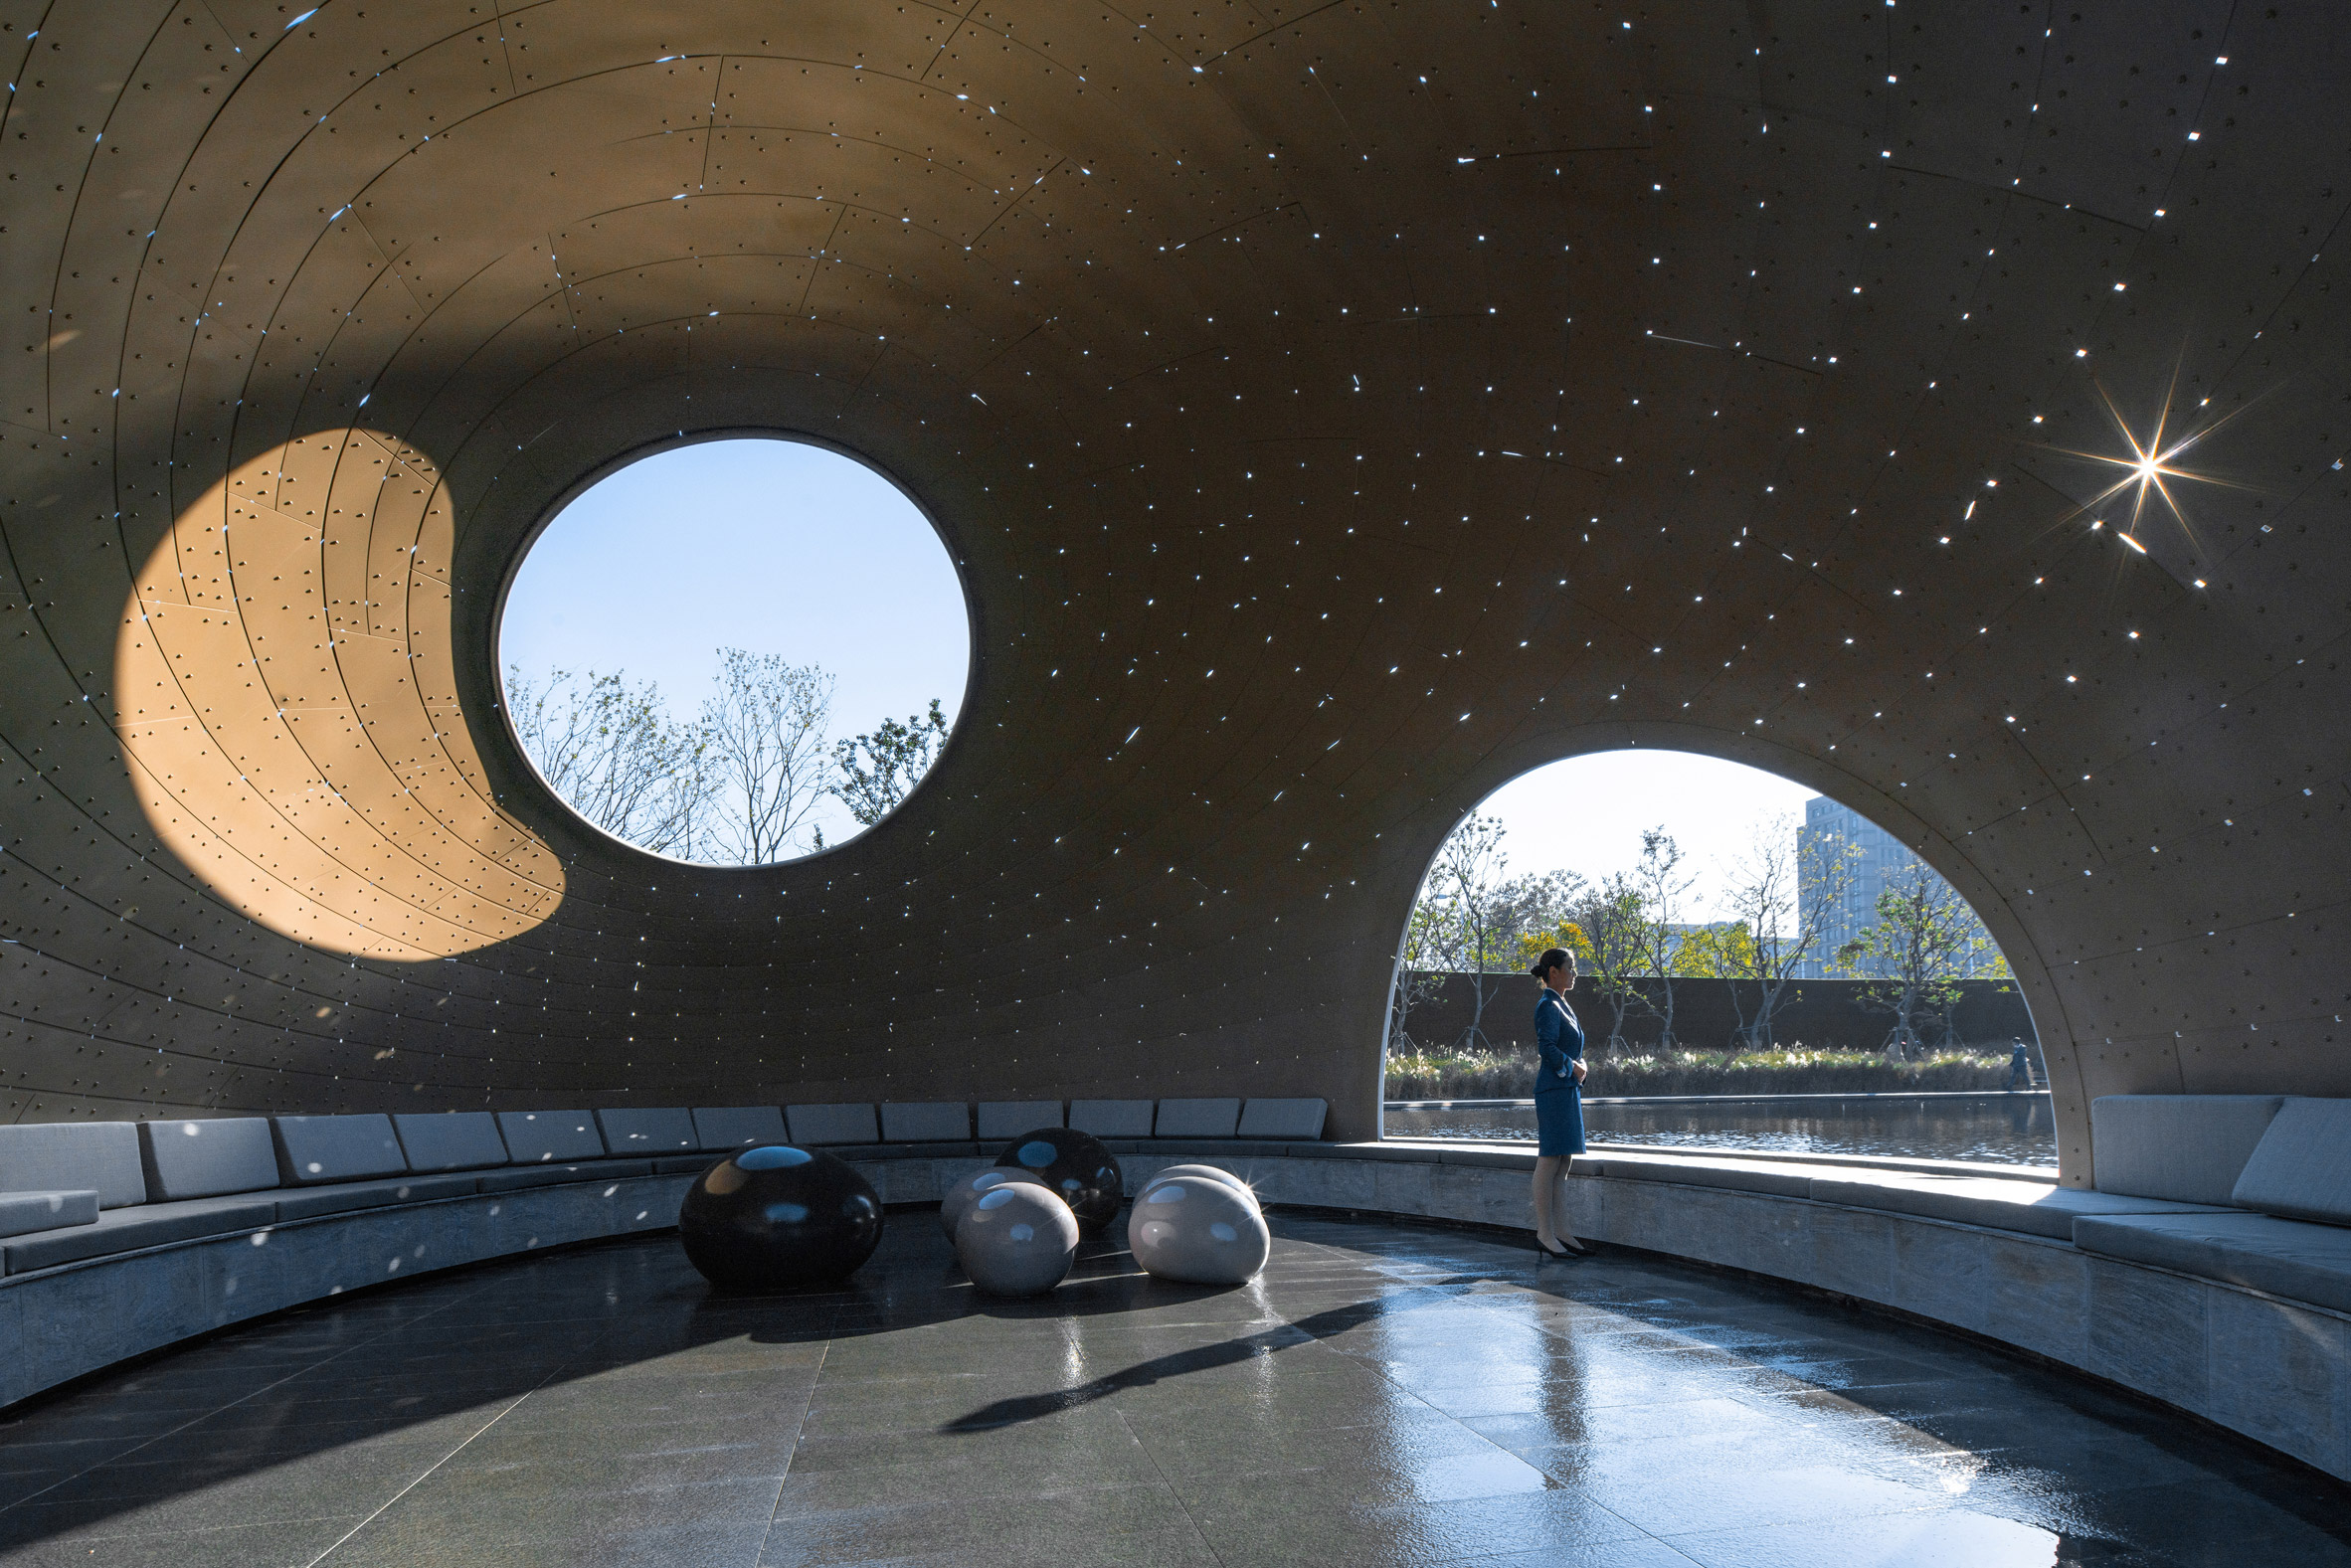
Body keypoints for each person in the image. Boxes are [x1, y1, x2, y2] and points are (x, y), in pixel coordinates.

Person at [1528, 947, 1590, 1258]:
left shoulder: (1561, 1003)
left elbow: (1568, 1047)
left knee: (1564, 1162)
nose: (1575, 973)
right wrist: (1573, 1066)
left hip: (1566, 1090)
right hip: (1553, 1090)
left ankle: (1562, 1232)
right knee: (1550, 1159)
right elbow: (1547, 1048)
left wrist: (1581, 1064)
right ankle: (1544, 1233)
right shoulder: (1547, 1005)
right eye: (1571, 967)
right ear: (1554, 972)